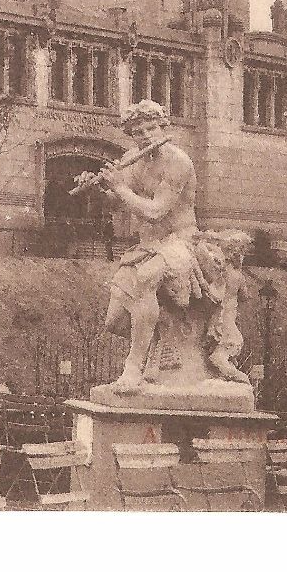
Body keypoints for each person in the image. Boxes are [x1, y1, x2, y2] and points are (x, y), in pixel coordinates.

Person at [90, 99, 206, 394]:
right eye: (138, 131)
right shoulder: (134, 158)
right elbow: (118, 204)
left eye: (151, 128)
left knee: (145, 278)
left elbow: (156, 210)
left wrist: (120, 187)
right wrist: (102, 190)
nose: (146, 136)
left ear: (163, 126)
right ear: (131, 135)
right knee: (114, 320)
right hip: (147, 245)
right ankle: (162, 334)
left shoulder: (179, 162)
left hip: (180, 242)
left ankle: (133, 370)